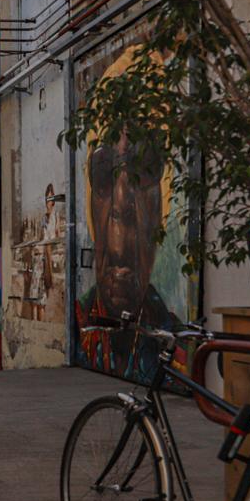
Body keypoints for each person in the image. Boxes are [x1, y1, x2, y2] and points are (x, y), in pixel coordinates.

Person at [75, 137, 179, 381]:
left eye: (145, 169)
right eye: (103, 174)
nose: (122, 201)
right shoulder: (78, 323)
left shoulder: (179, 347)